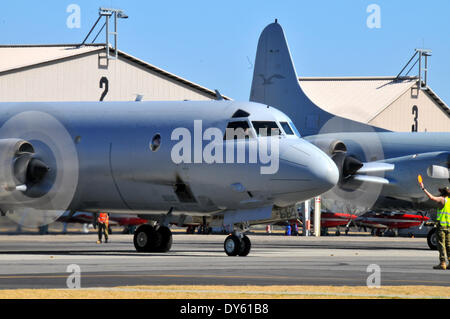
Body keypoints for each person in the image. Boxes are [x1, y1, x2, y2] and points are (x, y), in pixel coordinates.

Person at [419, 180, 450, 270]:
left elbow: (432, 197)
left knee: (441, 245)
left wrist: (423, 188)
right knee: (448, 245)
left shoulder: (442, 200)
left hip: (441, 227)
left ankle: (442, 263)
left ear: (442, 193)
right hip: (449, 227)